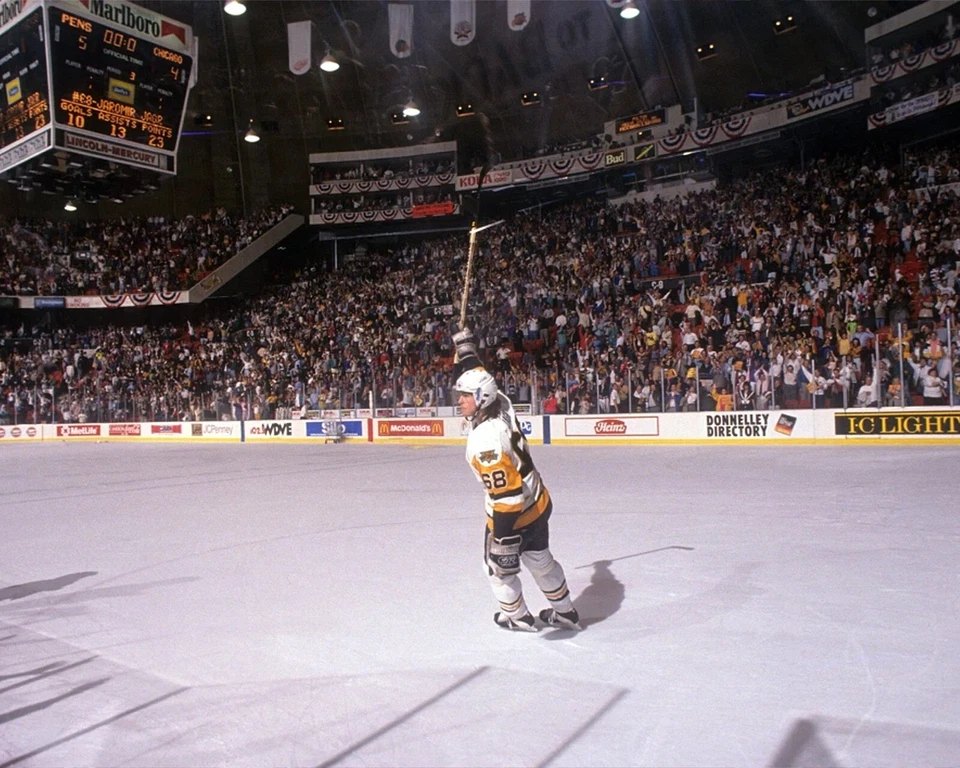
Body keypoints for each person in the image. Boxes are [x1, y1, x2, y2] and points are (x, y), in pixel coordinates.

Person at [452, 328, 581, 632]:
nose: (459, 401)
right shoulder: (504, 406)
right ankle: (566, 613)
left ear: (480, 398)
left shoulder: (484, 440)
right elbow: (480, 375)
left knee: (497, 570)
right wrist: (466, 348)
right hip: (538, 502)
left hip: (514, 513)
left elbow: (507, 496)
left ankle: (518, 616)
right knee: (541, 561)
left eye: (465, 396)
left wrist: (501, 538)